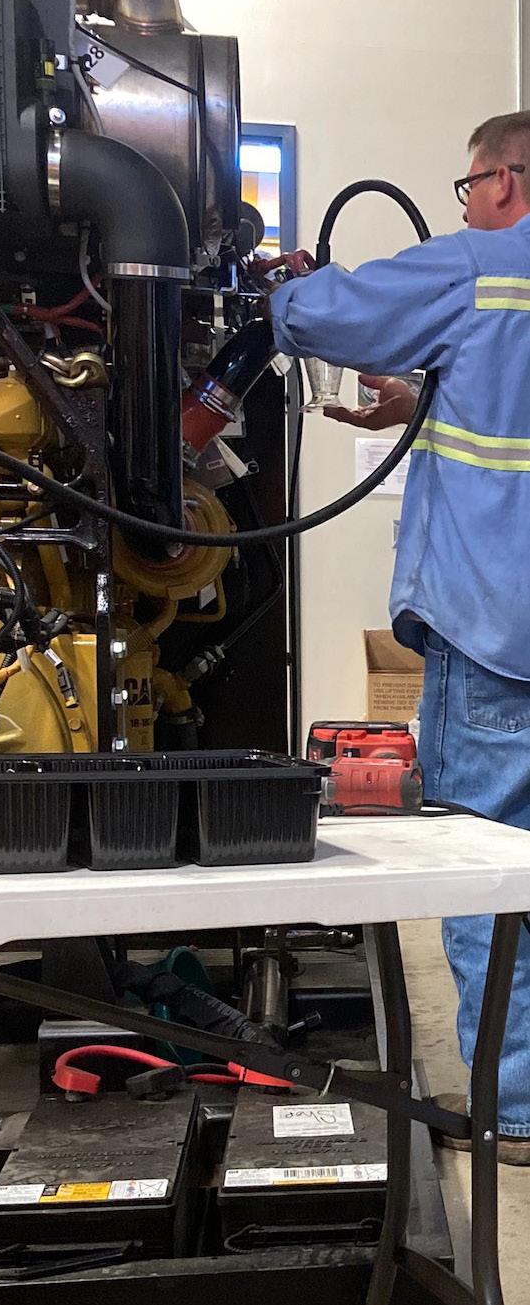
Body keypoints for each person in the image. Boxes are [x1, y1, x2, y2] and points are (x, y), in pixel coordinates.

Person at [268, 111, 530, 1164]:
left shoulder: (482, 268)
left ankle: (516, 1106)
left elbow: (320, 314)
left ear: (503, 181)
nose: (466, 205)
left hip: (498, 628)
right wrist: (423, 395)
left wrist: (271, 284)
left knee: (488, 872)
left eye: (468, 187)